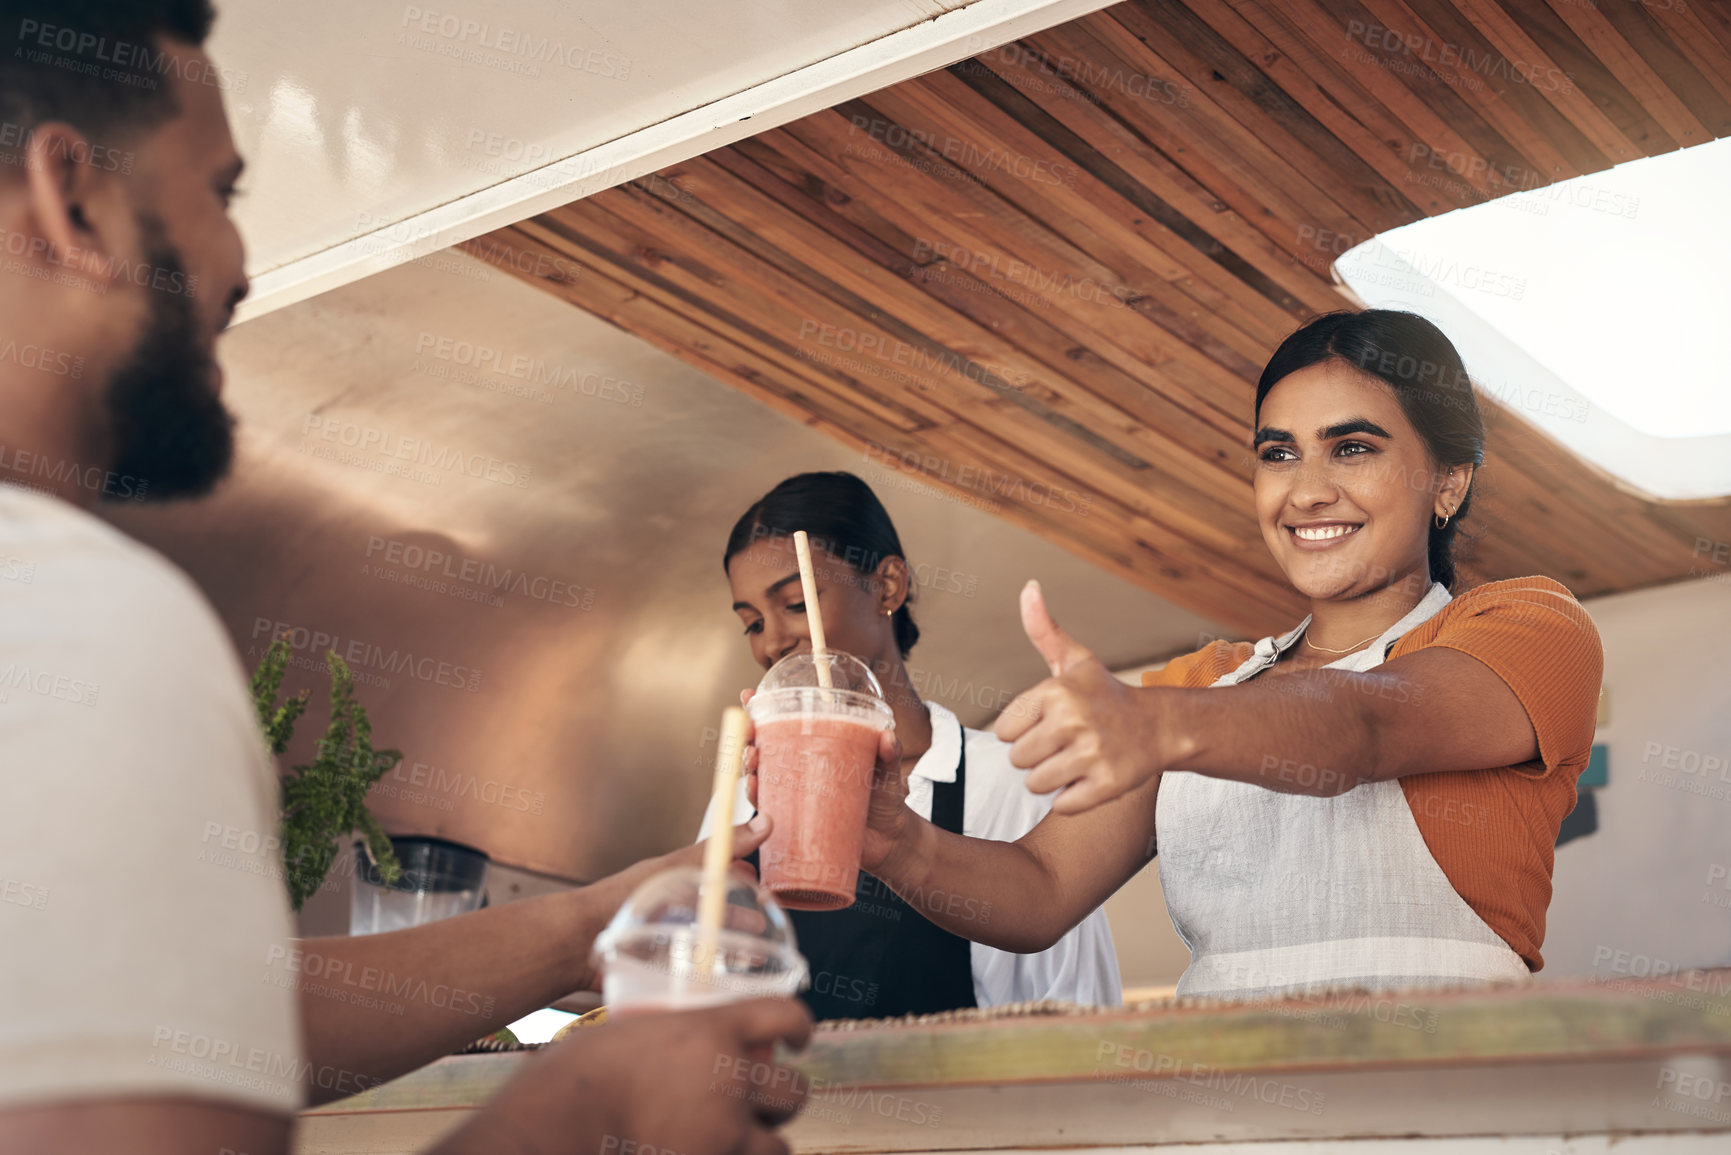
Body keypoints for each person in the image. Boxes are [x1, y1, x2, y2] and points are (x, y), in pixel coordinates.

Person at [0, 4, 809, 1153]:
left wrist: (588, 924)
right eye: (220, 197)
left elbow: (197, 1014)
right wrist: (592, 1102)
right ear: (74, 200)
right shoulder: (79, 617)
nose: (238, 267)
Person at [797, 310, 1603, 1002]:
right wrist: (896, 842)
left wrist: (1154, 719)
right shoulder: (1201, 687)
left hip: (1453, 1094)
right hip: (1223, 1100)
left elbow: (1365, 724)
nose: (1306, 490)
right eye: (1277, 453)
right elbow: (1037, 892)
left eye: (1351, 448)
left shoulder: (1525, 629)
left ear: (1449, 482)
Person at [707, 472, 1121, 1020]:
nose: (773, 642)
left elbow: (1077, 1021)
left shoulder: (1010, 780)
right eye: (753, 623)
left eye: (796, 603)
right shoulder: (741, 797)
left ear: (887, 587)